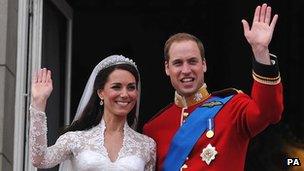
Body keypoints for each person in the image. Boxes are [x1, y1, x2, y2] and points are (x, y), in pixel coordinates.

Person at [143, 3, 283, 171]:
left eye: (192, 61)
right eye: (178, 63)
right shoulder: (153, 128)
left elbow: (269, 112)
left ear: (204, 65)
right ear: (167, 68)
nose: (186, 70)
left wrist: (261, 52)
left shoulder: (233, 107)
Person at [29, 55, 156, 170]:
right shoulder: (75, 139)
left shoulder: (147, 146)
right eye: (116, 87)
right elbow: (40, 160)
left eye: (131, 87)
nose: (124, 94)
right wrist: (39, 102)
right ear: (101, 92)